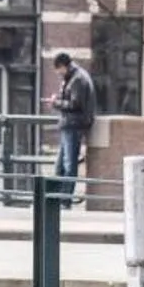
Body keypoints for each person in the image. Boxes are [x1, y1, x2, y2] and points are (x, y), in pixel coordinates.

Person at [50, 51, 96, 186]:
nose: (58, 73)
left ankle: (65, 197)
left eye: (58, 69)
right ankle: (60, 195)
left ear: (63, 66)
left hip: (74, 125)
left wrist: (56, 103)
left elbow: (75, 104)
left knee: (69, 164)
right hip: (70, 124)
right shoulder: (75, 77)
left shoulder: (77, 79)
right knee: (61, 165)